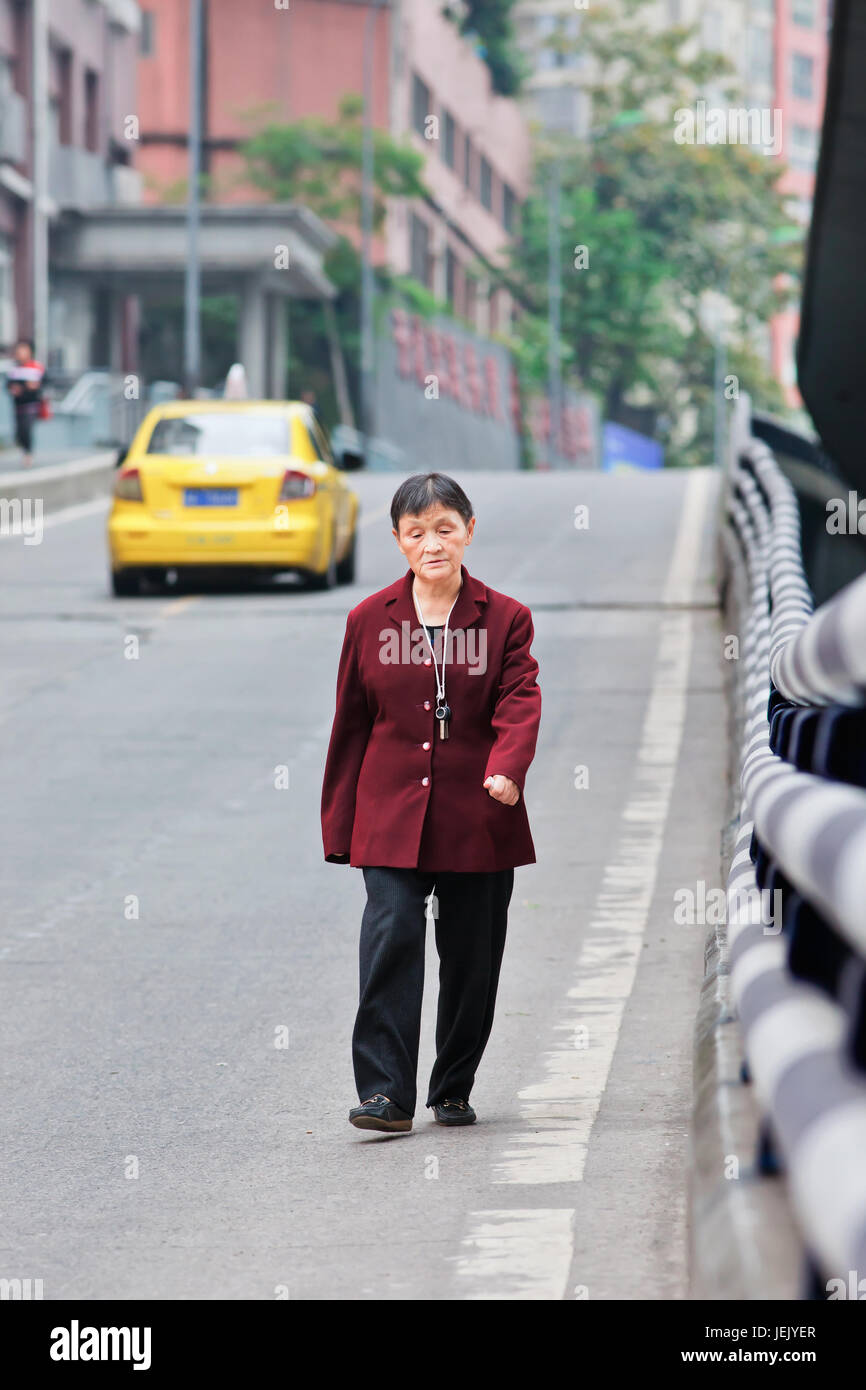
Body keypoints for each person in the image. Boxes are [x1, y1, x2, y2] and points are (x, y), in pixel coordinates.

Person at [320, 472, 542, 1133]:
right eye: (417, 533)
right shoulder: (369, 620)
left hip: (478, 815)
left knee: (473, 957)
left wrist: (508, 768)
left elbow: (519, 699)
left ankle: (452, 1086)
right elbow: (351, 723)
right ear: (398, 541)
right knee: (392, 935)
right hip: (389, 817)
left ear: (469, 531)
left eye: (445, 529)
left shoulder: (505, 618)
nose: (433, 543)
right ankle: (386, 1094)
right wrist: (341, 826)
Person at [6, 338, 46, 468]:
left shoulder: (37, 367)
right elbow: (8, 385)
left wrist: (36, 387)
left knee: (27, 428)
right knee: (19, 431)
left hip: (32, 404)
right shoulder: (14, 369)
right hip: (18, 405)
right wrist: (13, 389)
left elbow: (46, 383)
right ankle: (24, 450)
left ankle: (28, 453)